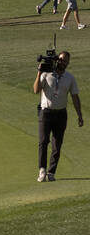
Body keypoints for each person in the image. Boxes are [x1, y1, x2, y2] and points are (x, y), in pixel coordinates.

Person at [34, 50, 83, 181]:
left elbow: (75, 97)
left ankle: (51, 172)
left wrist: (79, 115)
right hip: (46, 112)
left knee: (57, 144)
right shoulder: (46, 74)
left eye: (65, 60)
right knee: (43, 142)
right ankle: (42, 170)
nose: (62, 62)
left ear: (68, 63)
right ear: (57, 60)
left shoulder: (70, 78)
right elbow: (36, 90)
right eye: (60, 59)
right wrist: (39, 72)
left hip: (61, 114)